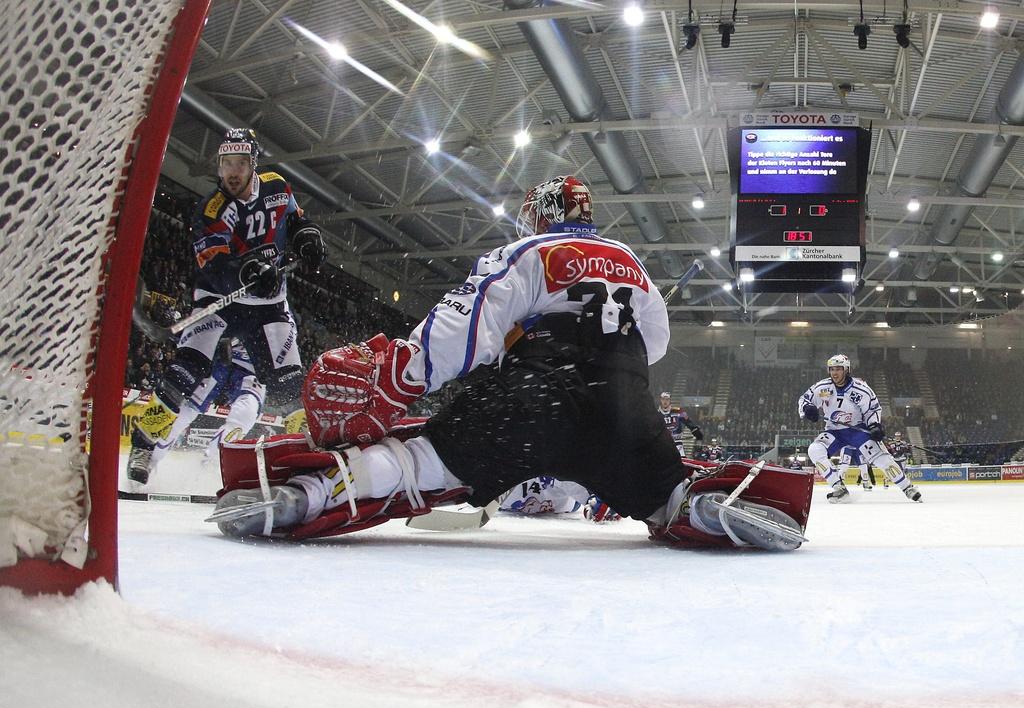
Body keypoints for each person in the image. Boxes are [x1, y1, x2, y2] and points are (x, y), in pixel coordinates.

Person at [209, 175, 812, 551]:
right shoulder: (632, 262)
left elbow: (468, 328)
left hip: (537, 395)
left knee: (420, 460)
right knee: (661, 494)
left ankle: (306, 497)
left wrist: (403, 371)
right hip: (626, 407)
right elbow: (654, 345)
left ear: (544, 215)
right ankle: (707, 510)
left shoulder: (534, 250)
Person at [126, 128, 326, 487]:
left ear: (253, 165)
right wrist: (247, 271)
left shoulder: (277, 186)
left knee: (288, 386)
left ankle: (307, 457)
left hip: (269, 305)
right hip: (220, 301)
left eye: (239, 163)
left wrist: (307, 237)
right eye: (225, 164)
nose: (232, 172)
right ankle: (144, 444)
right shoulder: (213, 209)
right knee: (184, 375)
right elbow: (213, 265)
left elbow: (296, 220)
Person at [124, 340, 267, 492]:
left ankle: (209, 470)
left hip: (254, 372)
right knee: (183, 414)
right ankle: (147, 463)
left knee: (246, 413)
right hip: (219, 362)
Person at [798, 354, 921, 503]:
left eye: (838, 369)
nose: (835, 373)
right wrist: (808, 408)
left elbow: (872, 409)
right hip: (833, 431)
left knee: (881, 457)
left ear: (847, 370)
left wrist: (874, 425)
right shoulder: (822, 388)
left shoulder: (861, 388)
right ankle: (839, 488)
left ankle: (907, 487)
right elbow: (804, 399)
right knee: (814, 450)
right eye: (832, 369)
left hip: (857, 430)